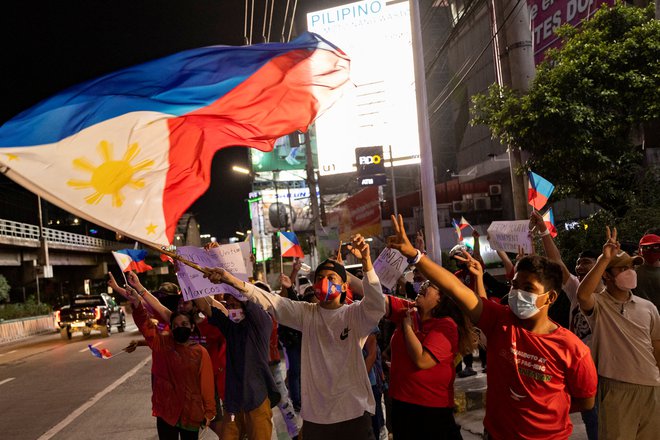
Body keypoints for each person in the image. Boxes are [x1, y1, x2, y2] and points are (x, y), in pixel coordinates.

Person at [387, 214, 597, 440]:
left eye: (528, 287)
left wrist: (546, 406)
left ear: (550, 297)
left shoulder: (572, 348)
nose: (517, 292)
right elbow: (455, 288)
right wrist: (416, 256)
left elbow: (585, 400)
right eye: (515, 285)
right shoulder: (499, 321)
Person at [203, 234, 385, 439]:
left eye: (330, 278)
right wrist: (229, 276)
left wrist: (367, 263)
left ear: (344, 287)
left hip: (354, 414)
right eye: (319, 278)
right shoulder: (307, 313)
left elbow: (377, 305)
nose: (323, 282)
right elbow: (267, 300)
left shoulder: (355, 315)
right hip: (317, 420)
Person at [577, 226, 660, 440]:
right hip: (616, 389)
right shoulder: (600, 305)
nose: (630, 272)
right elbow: (582, 295)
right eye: (622, 269)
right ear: (607, 275)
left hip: (652, 388)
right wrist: (603, 259)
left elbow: (657, 346)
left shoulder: (647, 307)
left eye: (631, 267)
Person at [108, 275, 216, 440]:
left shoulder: (201, 352)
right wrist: (136, 300)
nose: (181, 328)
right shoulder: (162, 343)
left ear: (192, 326)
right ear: (171, 327)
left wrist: (209, 412)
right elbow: (145, 321)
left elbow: (206, 385)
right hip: (166, 411)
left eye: (185, 325)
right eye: (177, 325)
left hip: (191, 413)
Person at [529, 211, 600, 440]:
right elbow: (557, 262)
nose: (579, 266)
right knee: (593, 421)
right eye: (578, 263)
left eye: (585, 262)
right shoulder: (576, 288)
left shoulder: (608, 296)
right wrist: (542, 230)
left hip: (606, 368)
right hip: (584, 367)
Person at [387, 280, 474, 439]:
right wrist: (361, 270)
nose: (423, 286)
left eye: (431, 285)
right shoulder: (409, 311)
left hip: (430, 410)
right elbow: (376, 299)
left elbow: (422, 360)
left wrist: (406, 327)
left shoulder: (446, 325)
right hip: (401, 404)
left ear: (441, 298)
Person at [194, 292, 279, 440]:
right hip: (233, 402)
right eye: (229, 306)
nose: (232, 309)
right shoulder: (230, 327)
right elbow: (204, 306)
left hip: (257, 398)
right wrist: (186, 276)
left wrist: (232, 284)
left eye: (235, 305)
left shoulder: (262, 323)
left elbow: (247, 300)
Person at [634, 232, 660, 310]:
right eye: (647, 248)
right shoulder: (633, 271)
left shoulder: (633, 271)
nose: (651, 251)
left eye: (656, 247)